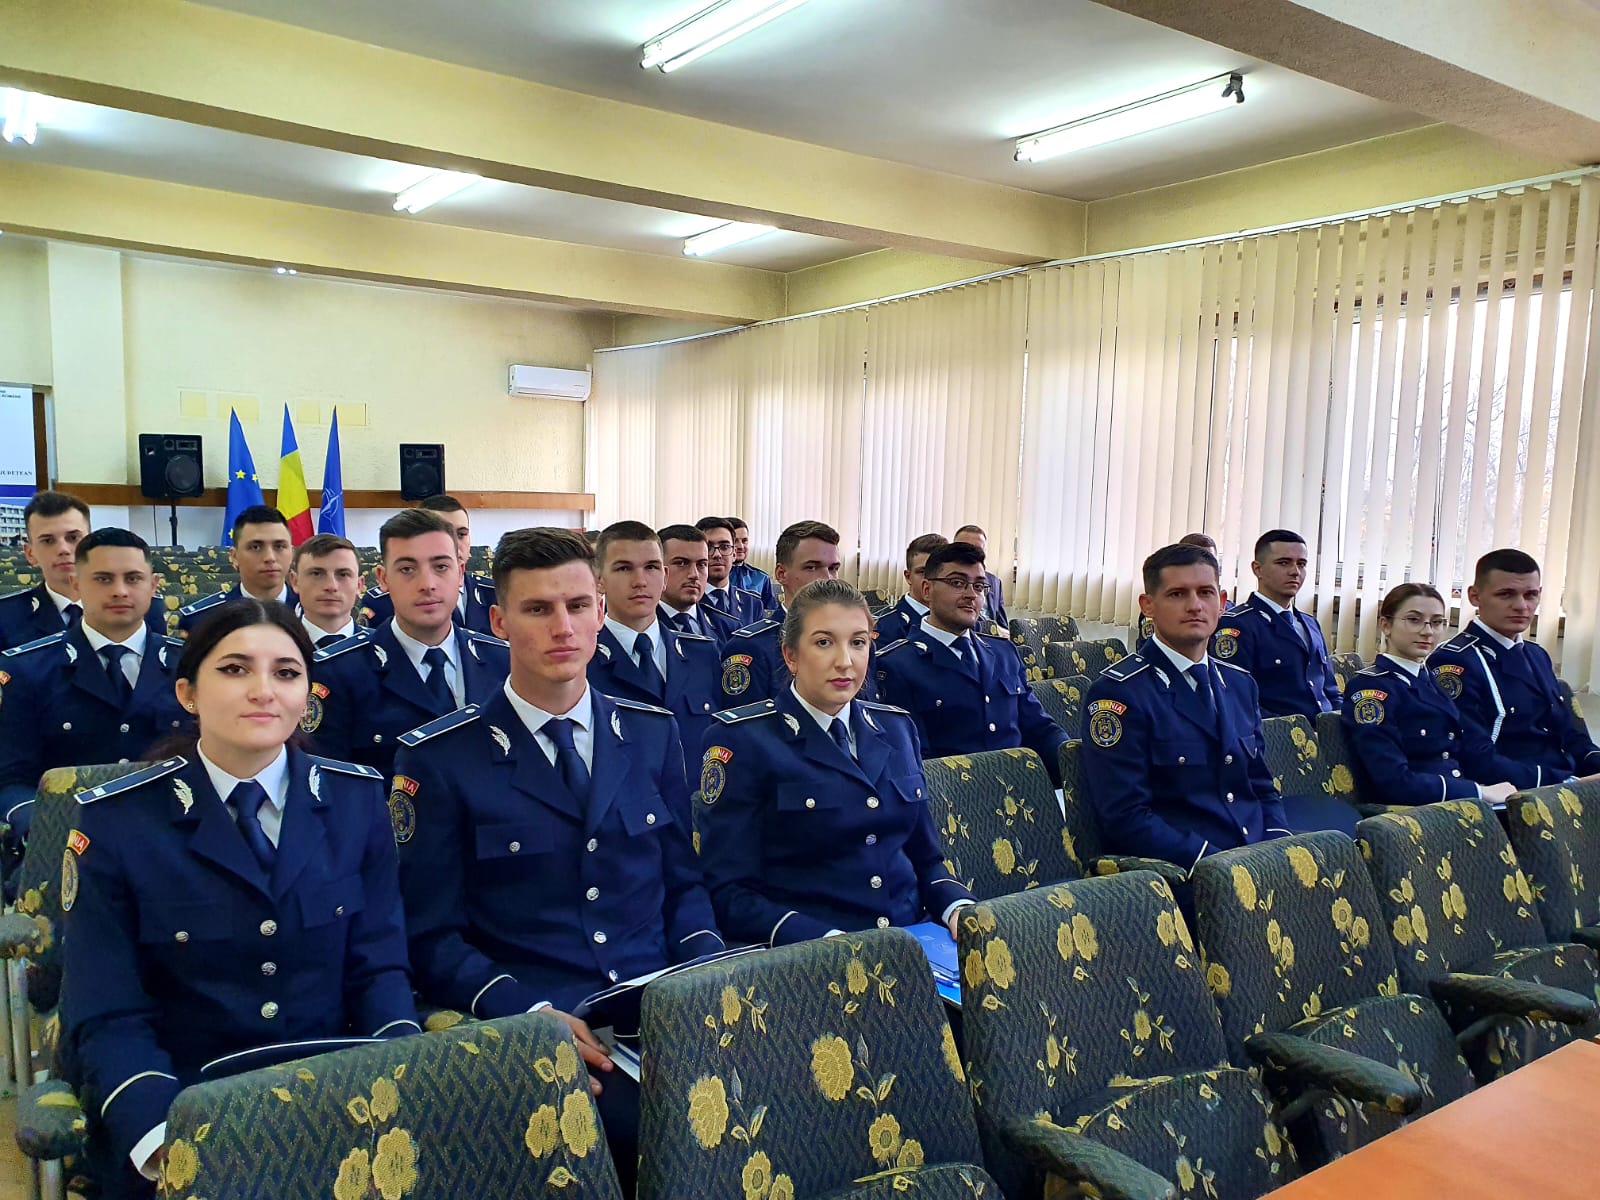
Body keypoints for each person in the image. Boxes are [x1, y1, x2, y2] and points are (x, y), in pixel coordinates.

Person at [391, 528, 721, 1191]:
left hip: (663, 1007)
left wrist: (708, 970)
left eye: (576, 605)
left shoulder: (650, 732)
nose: (562, 627)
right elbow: (430, 936)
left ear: (600, 610)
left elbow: (683, 885)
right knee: (648, 1137)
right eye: (538, 609)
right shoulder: (441, 759)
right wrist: (527, 1014)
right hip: (542, 1020)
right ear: (498, 622)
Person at [62, 599, 417, 1200]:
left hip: (337, 1097)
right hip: (186, 1107)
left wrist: (404, 1085)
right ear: (188, 694)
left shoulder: (356, 801)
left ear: (307, 695)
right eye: (234, 669)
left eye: (286, 672)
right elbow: (107, 1013)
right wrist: (165, 1139)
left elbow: (379, 968)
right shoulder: (118, 822)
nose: (263, 690)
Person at [696, 578, 973, 947]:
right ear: (791, 655)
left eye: (858, 642)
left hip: (912, 941)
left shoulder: (896, 728)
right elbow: (729, 891)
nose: (845, 661)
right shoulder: (744, 740)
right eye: (824, 642)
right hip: (813, 952)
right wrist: (825, 941)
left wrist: (958, 908)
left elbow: (926, 861)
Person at [1081, 543, 1291, 872]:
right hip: (1189, 870)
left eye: (1206, 593)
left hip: (1256, 856)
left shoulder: (1240, 684)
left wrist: (1278, 844)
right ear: (1148, 606)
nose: (1194, 606)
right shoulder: (1120, 694)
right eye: (1177, 594)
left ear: (1222, 602)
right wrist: (1220, 866)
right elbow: (1126, 816)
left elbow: (1261, 786)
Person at [0, 529, 188, 838]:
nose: (120, 591)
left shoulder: (192, 663)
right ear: (76, 584)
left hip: (175, 832)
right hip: (70, 837)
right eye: (103, 579)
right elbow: (12, 779)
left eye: (133, 578)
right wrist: (47, 827)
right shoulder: (27, 669)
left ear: (153, 585)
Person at [308, 509, 509, 778]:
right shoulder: (338, 673)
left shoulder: (502, 661)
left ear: (460, 573)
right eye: (407, 569)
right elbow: (329, 784)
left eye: (441, 567)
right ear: (383, 579)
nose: (427, 584)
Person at [876, 541, 1068, 784]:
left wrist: (1076, 762)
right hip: (955, 798)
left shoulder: (1003, 652)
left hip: (1021, 790)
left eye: (979, 586)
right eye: (957, 583)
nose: (971, 594)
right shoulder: (897, 664)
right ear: (927, 590)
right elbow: (913, 760)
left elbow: (1038, 728)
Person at [1342, 583, 1530, 808]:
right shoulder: (1372, 689)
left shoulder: (1429, 679)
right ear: (1386, 625)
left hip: (1454, 801)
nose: (1428, 631)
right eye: (1414, 620)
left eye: (1437, 622)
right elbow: (1394, 781)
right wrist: (1480, 792)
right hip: (1409, 813)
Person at [1429, 549, 1600, 784]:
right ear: (1475, 596)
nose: (1521, 606)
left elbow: (1572, 738)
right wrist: (1569, 783)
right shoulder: (1455, 661)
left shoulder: (1536, 654)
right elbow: (1474, 758)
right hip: (1514, 792)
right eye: (1506, 594)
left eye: (1530, 595)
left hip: (1564, 783)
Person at [590, 521, 722, 755]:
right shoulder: (584, 658)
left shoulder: (701, 653)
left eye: (651, 567)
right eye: (624, 568)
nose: (640, 581)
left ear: (665, 576)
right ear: (599, 579)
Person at [1211, 530, 1341, 719]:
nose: (1295, 572)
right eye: (1283, 563)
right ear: (1257, 569)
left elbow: (1330, 691)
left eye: (1301, 564)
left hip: (1325, 730)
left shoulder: (1310, 623)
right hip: (1278, 733)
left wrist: (1341, 723)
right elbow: (1236, 700)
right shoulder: (1237, 626)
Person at [361, 495, 497, 634]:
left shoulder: (495, 593)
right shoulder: (380, 602)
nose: (454, 544)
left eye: (461, 534)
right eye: (440, 534)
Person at [176, 506, 298, 636]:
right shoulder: (202, 620)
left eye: (279, 546)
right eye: (255, 547)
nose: (270, 557)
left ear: (292, 554)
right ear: (234, 557)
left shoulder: (310, 611)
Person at [0, 491, 92, 649]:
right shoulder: (5, 618)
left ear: (93, 545)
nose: (63, 549)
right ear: (30, 554)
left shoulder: (132, 607)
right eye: (48, 541)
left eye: (73, 538)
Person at [655, 524, 733, 645]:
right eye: (681, 563)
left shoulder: (728, 627)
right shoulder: (640, 627)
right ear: (659, 569)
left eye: (701, 564)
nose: (694, 575)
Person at [288, 533, 364, 648]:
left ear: (359, 585)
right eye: (316, 574)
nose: (331, 586)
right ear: (295, 582)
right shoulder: (272, 647)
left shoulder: (384, 647)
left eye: (343, 574)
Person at [873, 533, 945, 647]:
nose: (930, 579)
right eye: (922, 572)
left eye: (938, 572)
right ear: (908, 577)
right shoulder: (883, 626)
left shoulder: (959, 621)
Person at [695, 516, 765, 627]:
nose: (717, 554)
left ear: (734, 554)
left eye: (724, 547)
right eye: (709, 547)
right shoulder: (686, 602)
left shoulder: (752, 604)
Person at [953, 524, 1008, 630]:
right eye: (965, 549)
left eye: (977, 550)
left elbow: (1003, 625)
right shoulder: (944, 581)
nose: (971, 554)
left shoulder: (994, 581)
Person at [727, 517, 778, 612]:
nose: (741, 546)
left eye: (744, 541)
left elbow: (770, 614)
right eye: (735, 541)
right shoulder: (712, 576)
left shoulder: (761, 578)